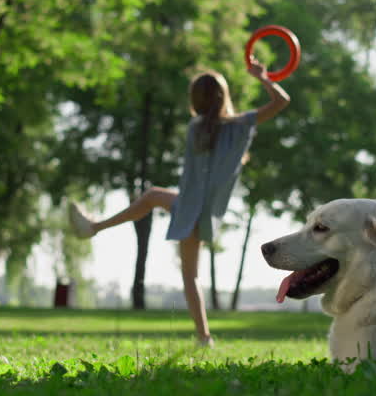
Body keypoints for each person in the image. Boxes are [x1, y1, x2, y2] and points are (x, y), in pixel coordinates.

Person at [69, 56, 291, 346]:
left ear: (196, 100)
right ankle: (94, 227)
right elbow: (281, 101)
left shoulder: (198, 127)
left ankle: (204, 337)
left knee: (189, 273)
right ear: (223, 97)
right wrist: (263, 77)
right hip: (201, 207)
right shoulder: (237, 126)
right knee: (155, 204)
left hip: (192, 207)